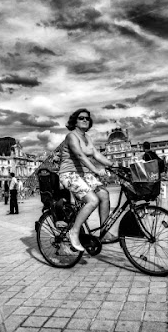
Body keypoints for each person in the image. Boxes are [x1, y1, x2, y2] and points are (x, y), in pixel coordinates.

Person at [58, 108, 114, 252]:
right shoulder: (72, 136)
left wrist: (113, 165)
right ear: (74, 121)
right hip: (69, 174)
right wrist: (96, 170)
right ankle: (74, 232)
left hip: (84, 174)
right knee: (93, 200)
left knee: (104, 195)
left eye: (87, 118)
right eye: (81, 118)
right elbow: (80, 156)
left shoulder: (87, 137)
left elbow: (95, 154)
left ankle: (104, 231)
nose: (85, 120)